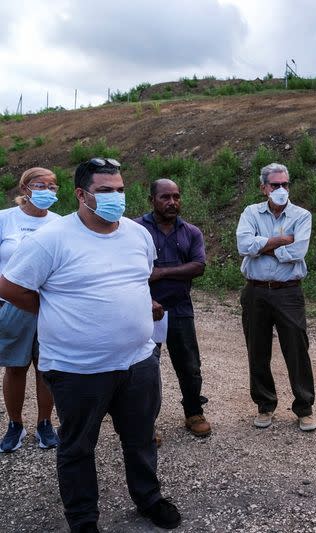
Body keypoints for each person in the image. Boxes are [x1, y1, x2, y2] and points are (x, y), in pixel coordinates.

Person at [0, 157, 181, 531]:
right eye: (104, 191)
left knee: (140, 438)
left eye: (119, 189)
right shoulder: (53, 238)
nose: (116, 197)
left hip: (138, 362)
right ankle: (82, 518)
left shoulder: (137, 234)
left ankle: (148, 498)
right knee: (77, 447)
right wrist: (52, 309)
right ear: (82, 195)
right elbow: (9, 285)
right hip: (77, 368)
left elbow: (137, 279)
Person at [236, 163, 316, 432]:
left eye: (286, 184)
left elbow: (298, 251)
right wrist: (282, 241)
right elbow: (243, 245)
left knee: (296, 349)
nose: (281, 190)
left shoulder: (302, 215)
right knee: (257, 349)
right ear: (263, 188)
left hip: (288, 291)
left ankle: (304, 408)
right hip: (256, 289)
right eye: (275, 185)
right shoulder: (250, 212)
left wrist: (262, 245)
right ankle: (265, 405)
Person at [135, 179, 211, 438]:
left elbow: (198, 266)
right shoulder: (135, 229)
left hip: (179, 308)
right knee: (145, 367)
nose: (172, 202)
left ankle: (193, 412)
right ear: (152, 200)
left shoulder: (191, 232)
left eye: (176, 197)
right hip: (145, 308)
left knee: (190, 365)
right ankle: (146, 422)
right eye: (165, 197)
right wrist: (148, 293)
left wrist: (160, 273)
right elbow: (130, 270)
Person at [0, 167, 61, 452]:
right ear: (25, 188)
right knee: (15, 367)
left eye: (53, 187)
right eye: (40, 185)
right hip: (12, 304)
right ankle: (15, 425)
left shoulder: (61, 223)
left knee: (46, 367)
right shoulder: (5, 219)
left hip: (49, 304)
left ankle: (45, 424)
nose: (47, 191)